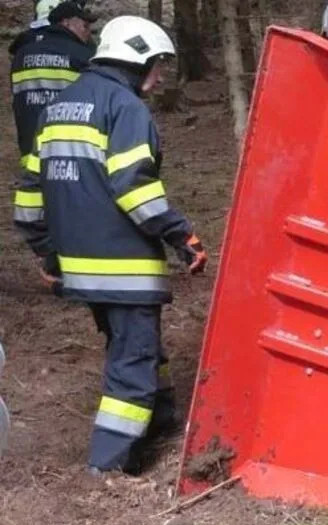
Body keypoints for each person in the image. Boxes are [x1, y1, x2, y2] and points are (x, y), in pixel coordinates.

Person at [11, 15, 208, 475]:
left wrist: (46, 253)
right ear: (135, 60)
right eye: (157, 67)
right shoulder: (125, 108)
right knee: (133, 365)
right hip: (124, 266)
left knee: (131, 342)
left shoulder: (58, 107)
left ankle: (160, 420)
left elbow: (28, 199)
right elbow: (134, 189)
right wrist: (184, 236)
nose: (159, 80)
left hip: (80, 268)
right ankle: (107, 467)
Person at [9, 0, 97, 168]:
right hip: (68, 156)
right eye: (85, 26)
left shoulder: (22, 54)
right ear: (66, 23)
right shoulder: (83, 55)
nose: (88, 33)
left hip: (30, 153)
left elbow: (17, 99)